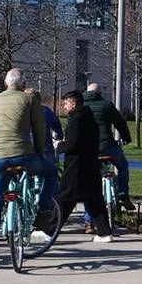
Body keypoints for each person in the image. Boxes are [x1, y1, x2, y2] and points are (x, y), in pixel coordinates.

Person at [0, 68, 56, 268]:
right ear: (23, 84)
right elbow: (39, 129)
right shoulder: (29, 100)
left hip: (0, 157)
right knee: (50, 173)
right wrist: (39, 152)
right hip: (24, 154)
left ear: (6, 83)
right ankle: (43, 214)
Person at [55, 89, 113, 241]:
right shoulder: (88, 117)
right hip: (90, 163)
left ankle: (49, 229)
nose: (64, 106)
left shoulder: (76, 119)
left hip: (76, 165)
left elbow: (72, 145)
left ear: (73, 103)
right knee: (94, 199)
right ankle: (105, 232)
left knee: (65, 197)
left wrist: (59, 146)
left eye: (66, 103)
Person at [80, 83, 134, 210]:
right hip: (107, 145)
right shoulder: (106, 105)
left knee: (90, 181)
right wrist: (126, 138)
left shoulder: (81, 106)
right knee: (123, 165)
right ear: (99, 93)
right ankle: (123, 194)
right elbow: (120, 123)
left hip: (90, 149)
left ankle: (89, 222)